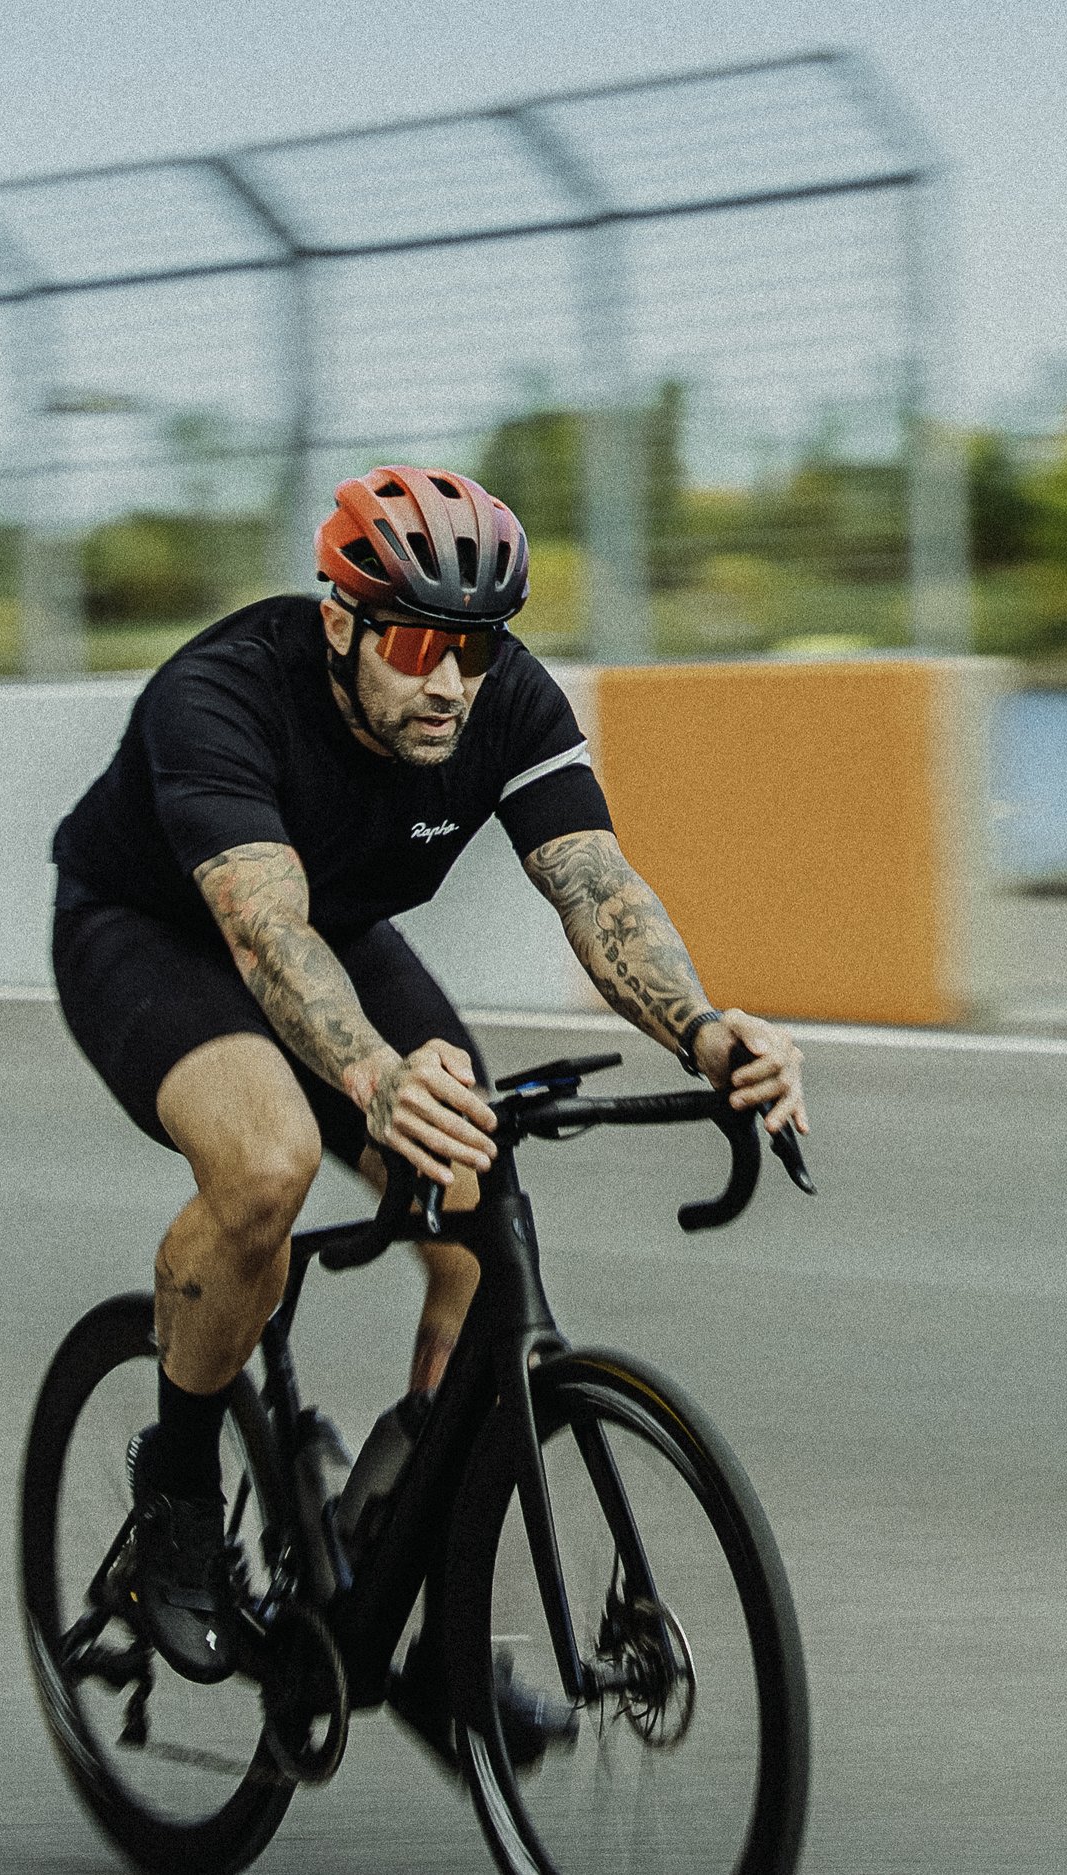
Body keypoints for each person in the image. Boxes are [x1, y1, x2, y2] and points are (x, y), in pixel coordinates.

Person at [48, 464, 808, 1740]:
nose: (449, 681)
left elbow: (596, 888)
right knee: (270, 1164)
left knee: (476, 1216)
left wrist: (705, 1029)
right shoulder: (221, 696)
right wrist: (373, 1077)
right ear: (341, 621)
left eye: (476, 646)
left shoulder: (496, 698)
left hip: (332, 937)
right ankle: (174, 1495)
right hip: (158, 934)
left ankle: (420, 1611)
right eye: (415, 644)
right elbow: (265, 932)